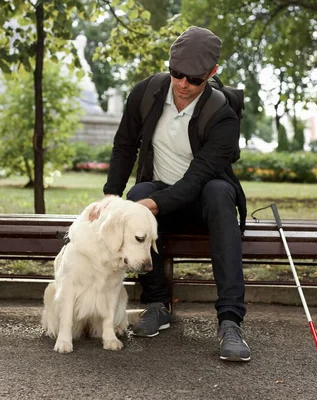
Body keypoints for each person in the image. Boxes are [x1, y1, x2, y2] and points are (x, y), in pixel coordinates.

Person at [103, 26, 250, 362]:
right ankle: (156, 304)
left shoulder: (223, 115)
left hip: (204, 200)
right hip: (158, 190)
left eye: (194, 78)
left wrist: (148, 206)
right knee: (138, 189)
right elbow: (124, 145)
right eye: (176, 73)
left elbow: (198, 177)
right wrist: (112, 198)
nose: (183, 84)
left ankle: (230, 321)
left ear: (212, 74)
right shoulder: (146, 93)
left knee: (217, 193)